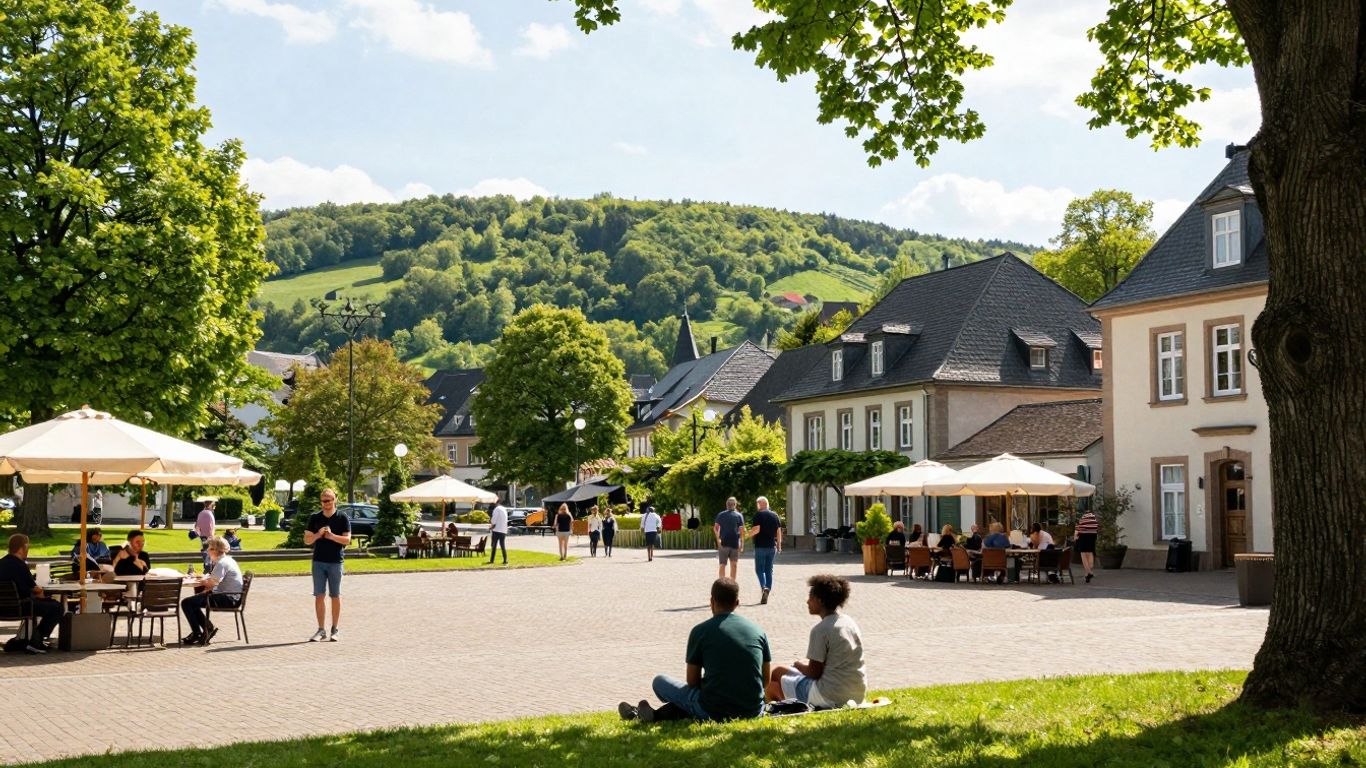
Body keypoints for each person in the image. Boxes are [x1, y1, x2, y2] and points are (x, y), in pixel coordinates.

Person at [619, 578, 770, 722]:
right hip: (753, 709)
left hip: (713, 709)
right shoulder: (758, 631)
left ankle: (644, 714)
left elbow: (692, 681)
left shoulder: (700, 631)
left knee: (659, 681)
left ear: (711, 601)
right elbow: (766, 680)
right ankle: (654, 715)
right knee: (699, 699)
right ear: (737, 603)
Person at [765, 574, 866, 708]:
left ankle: (786, 707)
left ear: (820, 601)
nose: (807, 602)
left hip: (828, 695)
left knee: (771, 685)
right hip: (857, 693)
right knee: (777, 670)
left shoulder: (820, 630)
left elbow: (814, 672)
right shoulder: (849, 622)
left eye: (810, 598)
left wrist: (798, 665)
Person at [0, 534, 63, 653]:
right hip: (22, 607)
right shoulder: (20, 565)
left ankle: (23, 639)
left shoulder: (1, 563)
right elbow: (34, 589)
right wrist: (42, 594)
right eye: (27, 547)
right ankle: (36, 639)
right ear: (21, 548)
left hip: (2, 608)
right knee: (56, 607)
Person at [304, 488, 351, 642]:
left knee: (335, 595)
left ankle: (335, 629)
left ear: (335, 500)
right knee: (319, 595)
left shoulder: (342, 517)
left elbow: (347, 540)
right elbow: (307, 540)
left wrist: (331, 536)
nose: (327, 503)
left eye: (330, 500)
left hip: (336, 562)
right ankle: (321, 630)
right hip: (318, 561)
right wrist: (318, 534)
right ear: (321, 502)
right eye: (324, 500)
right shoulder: (315, 517)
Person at [180, 536, 242, 646]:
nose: (207, 550)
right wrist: (203, 581)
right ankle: (206, 628)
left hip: (228, 598)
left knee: (187, 602)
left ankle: (198, 632)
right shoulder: (227, 560)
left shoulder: (222, 563)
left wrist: (199, 580)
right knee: (193, 602)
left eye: (209, 548)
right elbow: (214, 581)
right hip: (230, 596)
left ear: (215, 550)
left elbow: (211, 583)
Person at [747, 497, 782, 605]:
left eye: (757, 503)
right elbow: (779, 532)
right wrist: (779, 545)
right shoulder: (775, 515)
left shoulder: (758, 515)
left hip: (760, 547)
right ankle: (768, 589)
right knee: (768, 570)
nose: (757, 505)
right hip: (772, 547)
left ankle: (764, 588)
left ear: (761, 504)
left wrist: (748, 535)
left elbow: (757, 529)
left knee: (759, 570)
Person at [714, 497, 745, 581]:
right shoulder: (722, 515)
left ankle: (730, 583)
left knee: (725, 564)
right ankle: (725, 583)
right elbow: (742, 532)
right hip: (727, 543)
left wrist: (718, 539)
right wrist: (742, 545)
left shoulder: (738, 515)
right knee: (729, 564)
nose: (731, 505)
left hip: (729, 543)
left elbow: (742, 531)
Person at [1073, 507, 1099, 583]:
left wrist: (1075, 538)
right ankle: (1087, 573)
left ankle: (1089, 572)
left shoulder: (1082, 520)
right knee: (1090, 553)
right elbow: (1096, 531)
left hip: (1083, 539)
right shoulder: (1094, 521)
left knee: (1084, 555)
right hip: (1092, 538)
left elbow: (1077, 531)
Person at [196, 500, 217, 569]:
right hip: (209, 535)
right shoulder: (209, 514)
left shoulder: (201, 513)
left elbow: (198, 525)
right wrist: (212, 535)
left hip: (202, 535)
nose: (214, 507)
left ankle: (206, 565)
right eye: (213, 506)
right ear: (210, 506)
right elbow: (211, 526)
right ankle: (209, 566)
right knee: (210, 550)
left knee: (205, 549)